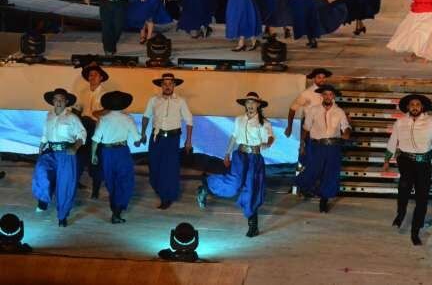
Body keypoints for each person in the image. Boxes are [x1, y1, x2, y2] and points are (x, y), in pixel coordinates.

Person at [197, 92, 274, 237]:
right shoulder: (239, 120)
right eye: (248, 103)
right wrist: (227, 153)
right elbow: (234, 136)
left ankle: (253, 225)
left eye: (253, 103)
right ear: (245, 105)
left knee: (251, 189)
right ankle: (206, 185)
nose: (250, 105)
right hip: (240, 156)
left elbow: (270, 137)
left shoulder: (264, 122)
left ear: (258, 105)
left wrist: (267, 144)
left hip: (255, 158)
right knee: (233, 185)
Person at [383, 94, 432, 245]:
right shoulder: (400, 122)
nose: (414, 107)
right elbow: (393, 141)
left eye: (417, 104)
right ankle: (401, 213)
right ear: (407, 107)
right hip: (405, 159)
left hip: (423, 163)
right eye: (412, 104)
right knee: (404, 186)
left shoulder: (430, 123)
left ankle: (415, 230)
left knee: (422, 197)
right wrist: (386, 160)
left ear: (422, 107)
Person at [136, 73, 193, 210]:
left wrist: (188, 141)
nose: (167, 86)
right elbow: (145, 117)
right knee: (154, 167)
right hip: (156, 138)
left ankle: (167, 196)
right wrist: (143, 134)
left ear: (174, 85)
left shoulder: (180, 101)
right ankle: (159, 188)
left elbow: (189, 121)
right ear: (161, 85)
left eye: (170, 83)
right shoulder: (154, 100)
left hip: (172, 140)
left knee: (169, 169)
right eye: (165, 84)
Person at [33, 88, 86, 227]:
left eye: (62, 99)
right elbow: (45, 134)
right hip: (50, 152)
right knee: (41, 173)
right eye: (56, 99)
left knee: (65, 185)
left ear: (66, 102)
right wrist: (40, 149)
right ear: (53, 101)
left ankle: (62, 215)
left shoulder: (72, 118)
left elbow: (82, 135)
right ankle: (43, 201)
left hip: (66, 154)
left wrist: (75, 147)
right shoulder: (49, 116)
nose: (59, 102)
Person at [297, 85, 352, 213]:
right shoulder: (313, 110)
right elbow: (306, 128)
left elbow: (345, 127)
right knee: (313, 170)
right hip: (317, 145)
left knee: (331, 173)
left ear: (333, 96)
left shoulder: (339, 112)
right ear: (321, 96)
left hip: (333, 146)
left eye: (330, 94)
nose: (328, 97)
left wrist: (347, 132)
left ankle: (324, 200)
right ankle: (308, 188)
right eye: (325, 94)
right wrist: (302, 144)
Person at [90, 91, 139, 224]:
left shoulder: (104, 119)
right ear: (123, 104)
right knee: (125, 180)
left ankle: (115, 207)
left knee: (111, 180)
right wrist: (140, 140)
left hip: (107, 152)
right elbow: (137, 139)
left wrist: (93, 155)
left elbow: (95, 139)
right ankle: (117, 210)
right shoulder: (128, 118)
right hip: (122, 151)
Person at [72, 63, 108, 199]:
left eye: (94, 75)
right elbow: (78, 108)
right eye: (90, 75)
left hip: (96, 128)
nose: (91, 77)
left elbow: (108, 110)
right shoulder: (83, 92)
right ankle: (76, 181)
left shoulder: (105, 94)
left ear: (101, 78)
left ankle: (96, 188)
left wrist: (98, 112)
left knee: (95, 159)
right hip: (83, 127)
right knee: (79, 156)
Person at [285, 68, 331, 138]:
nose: (322, 80)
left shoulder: (329, 92)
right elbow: (292, 109)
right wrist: (289, 127)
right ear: (314, 78)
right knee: (308, 148)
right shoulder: (307, 93)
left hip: (325, 127)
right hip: (309, 127)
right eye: (319, 77)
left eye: (323, 77)